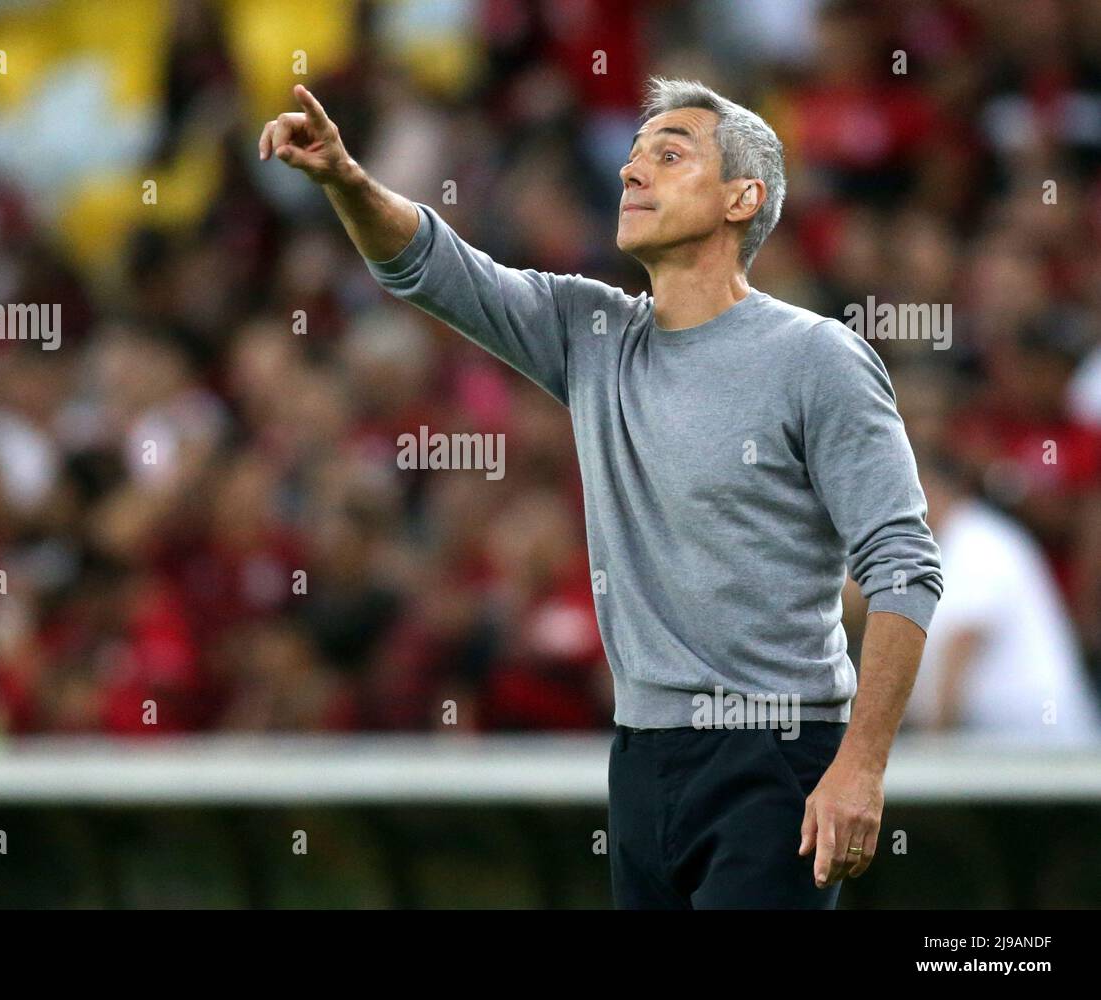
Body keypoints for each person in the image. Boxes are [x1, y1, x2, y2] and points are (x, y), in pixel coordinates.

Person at [258, 78, 943, 909]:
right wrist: (346, 180)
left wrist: (861, 767)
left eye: (669, 154)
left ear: (742, 198)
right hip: (642, 761)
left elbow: (904, 564)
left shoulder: (817, 359)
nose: (632, 173)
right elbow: (432, 267)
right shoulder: (592, 333)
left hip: (777, 754)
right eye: (631, 157)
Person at [907, 454, 1101, 743]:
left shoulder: (977, 542)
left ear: (922, 487)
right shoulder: (946, 546)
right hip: (1004, 748)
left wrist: (929, 748)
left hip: (1045, 751)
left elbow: (960, 648)